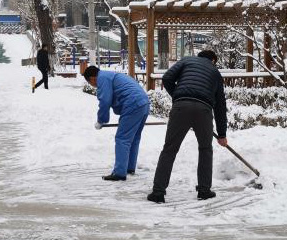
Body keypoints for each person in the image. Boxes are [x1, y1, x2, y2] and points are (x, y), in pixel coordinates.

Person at [147, 50, 228, 204]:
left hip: (180, 107)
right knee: (205, 149)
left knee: (169, 149)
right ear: (213, 60)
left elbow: (167, 78)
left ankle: (158, 192)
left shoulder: (186, 61)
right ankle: (204, 191)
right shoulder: (215, 72)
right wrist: (222, 134)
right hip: (203, 110)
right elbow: (220, 107)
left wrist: (178, 95)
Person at [83, 65, 150, 181]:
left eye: (91, 83)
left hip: (133, 104)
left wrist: (101, 120)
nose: (93, 86)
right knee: (134, 138)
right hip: (144, 103)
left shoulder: (102, 78)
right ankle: (129, 167)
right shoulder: (110, 75)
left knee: (122, 138)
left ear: (92, 79)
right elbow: (117, 99)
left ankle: (119, 173)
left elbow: (105, 100)